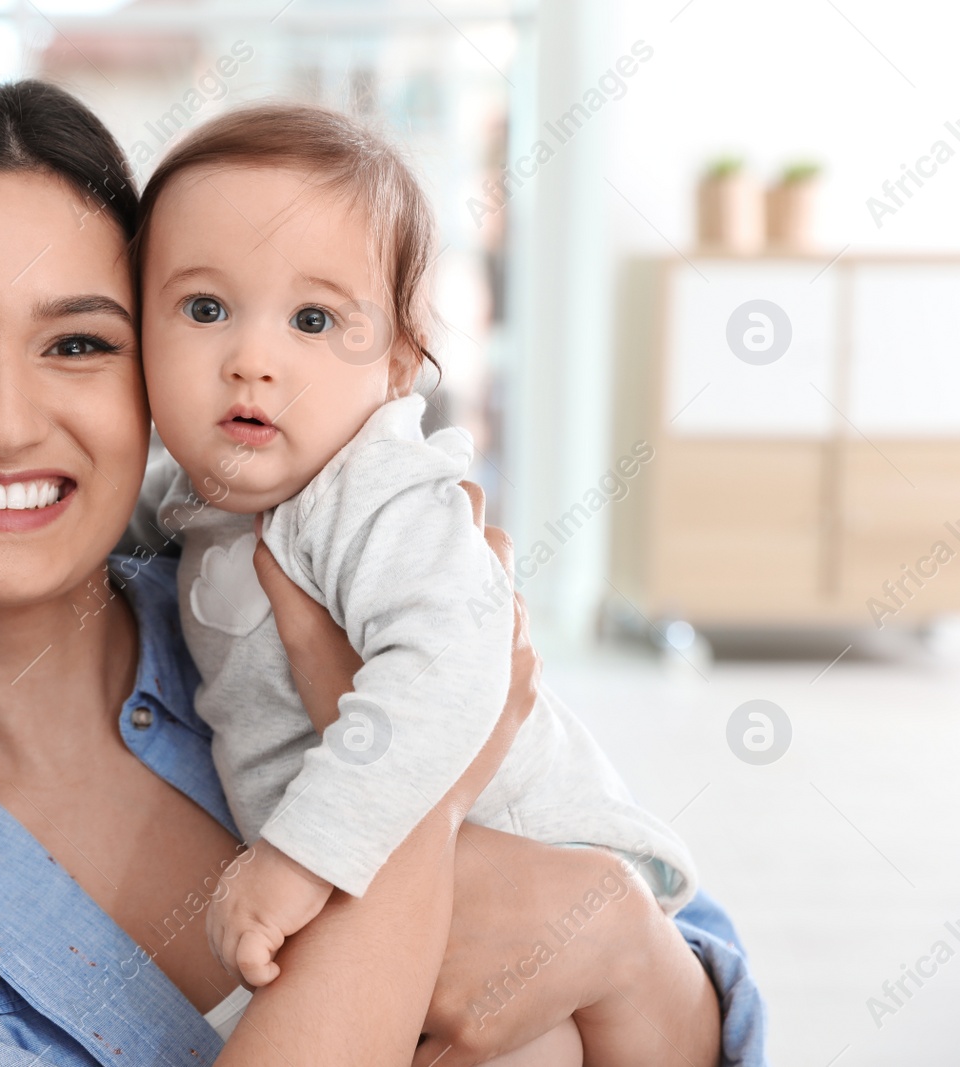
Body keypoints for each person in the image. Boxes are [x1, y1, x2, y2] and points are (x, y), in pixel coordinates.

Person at [0, 75, 767, 1067]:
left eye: (79, 342)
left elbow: (683, 987)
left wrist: (613, 928)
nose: (5, 421)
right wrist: (419, 820)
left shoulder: (279, 602)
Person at [134, 103, 705, 1065]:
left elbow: (453, 668)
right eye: (203, 309)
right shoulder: (205, 495)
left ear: (399, 362)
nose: (251, 359)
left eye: (314, 320)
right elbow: (148, 514)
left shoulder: (375, 493)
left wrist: (301, 853)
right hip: (404, 871)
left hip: (513, 846)